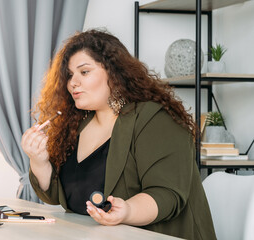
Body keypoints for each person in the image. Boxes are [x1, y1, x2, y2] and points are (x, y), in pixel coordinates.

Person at [21, 29, 216, 239]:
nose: (72, 83)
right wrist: (39, 161)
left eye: (84, 72)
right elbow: (56, 197)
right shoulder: (76, 126)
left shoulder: (155, 119)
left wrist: (127, 211)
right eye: (69, 75)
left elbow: (167, 195)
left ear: (114, 73)